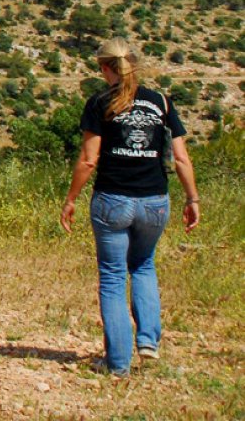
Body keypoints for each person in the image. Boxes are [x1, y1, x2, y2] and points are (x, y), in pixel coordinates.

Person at [60, 37, 200, 377]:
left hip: (112, 200)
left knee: (112, 277)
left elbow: (89, 160)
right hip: (155, 200)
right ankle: (148, 341)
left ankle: (118, 363)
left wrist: (71, 199)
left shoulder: (99, 103)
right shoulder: (161, 102)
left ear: (105, 68)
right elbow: (180, 157)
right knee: (143, 266)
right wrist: (192, 198)